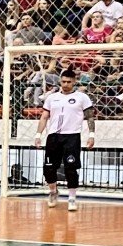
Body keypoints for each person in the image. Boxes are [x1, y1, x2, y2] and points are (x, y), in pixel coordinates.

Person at [37, 66, 94, 213]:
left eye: (69, 82)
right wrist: (38, 135)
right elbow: (44, 117)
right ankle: (53, 191)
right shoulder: (52, 97)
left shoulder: (82, 98)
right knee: (49, 168)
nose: (66, 84)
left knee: (71, 168)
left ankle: (72, 198)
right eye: (63, 81)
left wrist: (91, 135)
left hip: (72, 136)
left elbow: (90, 117)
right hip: (53, 136)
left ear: (74, 82)